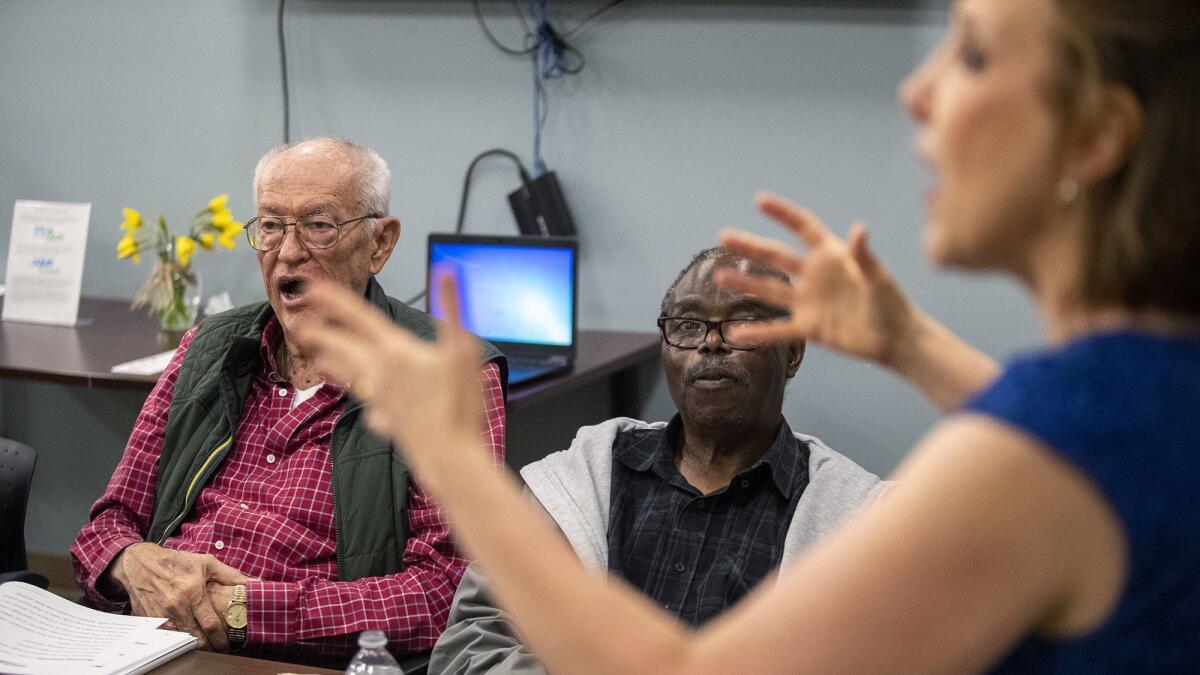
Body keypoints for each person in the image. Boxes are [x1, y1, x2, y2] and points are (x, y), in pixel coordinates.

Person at [296, 0, 1200, 671]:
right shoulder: (1150, 389)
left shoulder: (1040, 453)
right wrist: (909, 344)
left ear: (1096, 137)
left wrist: (448, 452)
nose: (917, 92)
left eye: (969, 54)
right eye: (689, 325)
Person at [70, 138, 509, 661]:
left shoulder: (448, 374)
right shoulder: (206, 349)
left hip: (297, 661)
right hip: (148, 645)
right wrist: (132, 563)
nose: (289, 251)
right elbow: (105, 526)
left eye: (319, 225)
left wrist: (240, 612)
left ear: (380, 244)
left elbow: (446, 594)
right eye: (271, 226)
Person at [430, 247, 887, 674]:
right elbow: (477, 635)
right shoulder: (582, 479)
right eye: (687, 325)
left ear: (794, 353)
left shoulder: (853, 518)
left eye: (744, 324)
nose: (710, 344)